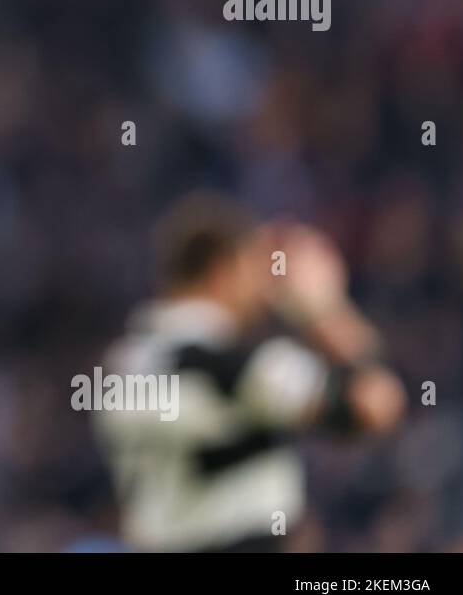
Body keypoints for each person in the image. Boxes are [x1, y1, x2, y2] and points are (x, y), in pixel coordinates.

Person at [94, 193, 404, 552]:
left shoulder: (123, 363)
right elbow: (376, 404)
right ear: (225, 270)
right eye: (255, 267)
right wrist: (325, 309)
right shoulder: (235, 362)